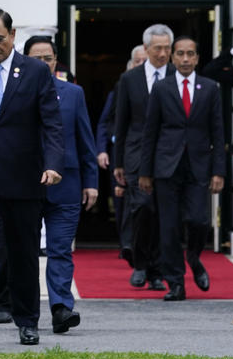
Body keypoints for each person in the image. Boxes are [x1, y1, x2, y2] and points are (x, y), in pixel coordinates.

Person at [0, 9, 64, 348]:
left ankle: (27, 322)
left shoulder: (34, 71)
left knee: (23, 255)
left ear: (13, 34)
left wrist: (53, 163)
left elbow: (51, 122)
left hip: (24, 180)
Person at [139, 36, 225, 301]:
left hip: (199, 167)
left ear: (198, 58)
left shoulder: (210, 88)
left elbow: (218, 133)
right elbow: (150, 132)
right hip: (166, 167)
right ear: (173, 58)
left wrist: (218, 171)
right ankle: (175, 282)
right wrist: (145, 171)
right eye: (180, 54)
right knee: (169, 228)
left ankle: (194, 258)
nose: (185, 59)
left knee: (199, 220)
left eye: (190, 54)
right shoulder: (162, 88)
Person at [24, 36, 98, 333]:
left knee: (60, 249)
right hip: (25, 184)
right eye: (36, 58)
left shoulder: (74, 93)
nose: (43, 64)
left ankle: (61, 308)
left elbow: (85, 140)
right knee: (24, 251)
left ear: (56, 61)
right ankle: (22, 309)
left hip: (66, 183)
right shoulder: (14, 95)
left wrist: (91, 182)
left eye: (48, 58)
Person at [114, 24, 175, 291]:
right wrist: (118, 162)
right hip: (137, 156)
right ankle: (140, 264)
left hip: (170, 156)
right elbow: (121, 123)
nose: (162, 53)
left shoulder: (177, 75)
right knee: (142, 210)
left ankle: (158, 272)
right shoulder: (129, 79)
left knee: (164, 214)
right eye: (157, 48)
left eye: (166, 48)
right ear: (146, 48)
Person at [96, 45, 147, 262]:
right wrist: (102, 149)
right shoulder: (122, 85)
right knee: (121, 201)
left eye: (146, 61)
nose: (142, 66)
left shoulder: (162, 84)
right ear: (130, 65)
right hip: (123, 153)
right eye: (138, 62)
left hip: (151, 154)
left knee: (142, 202)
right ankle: (126, 244)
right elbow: (106, 121)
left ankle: (137, 245)